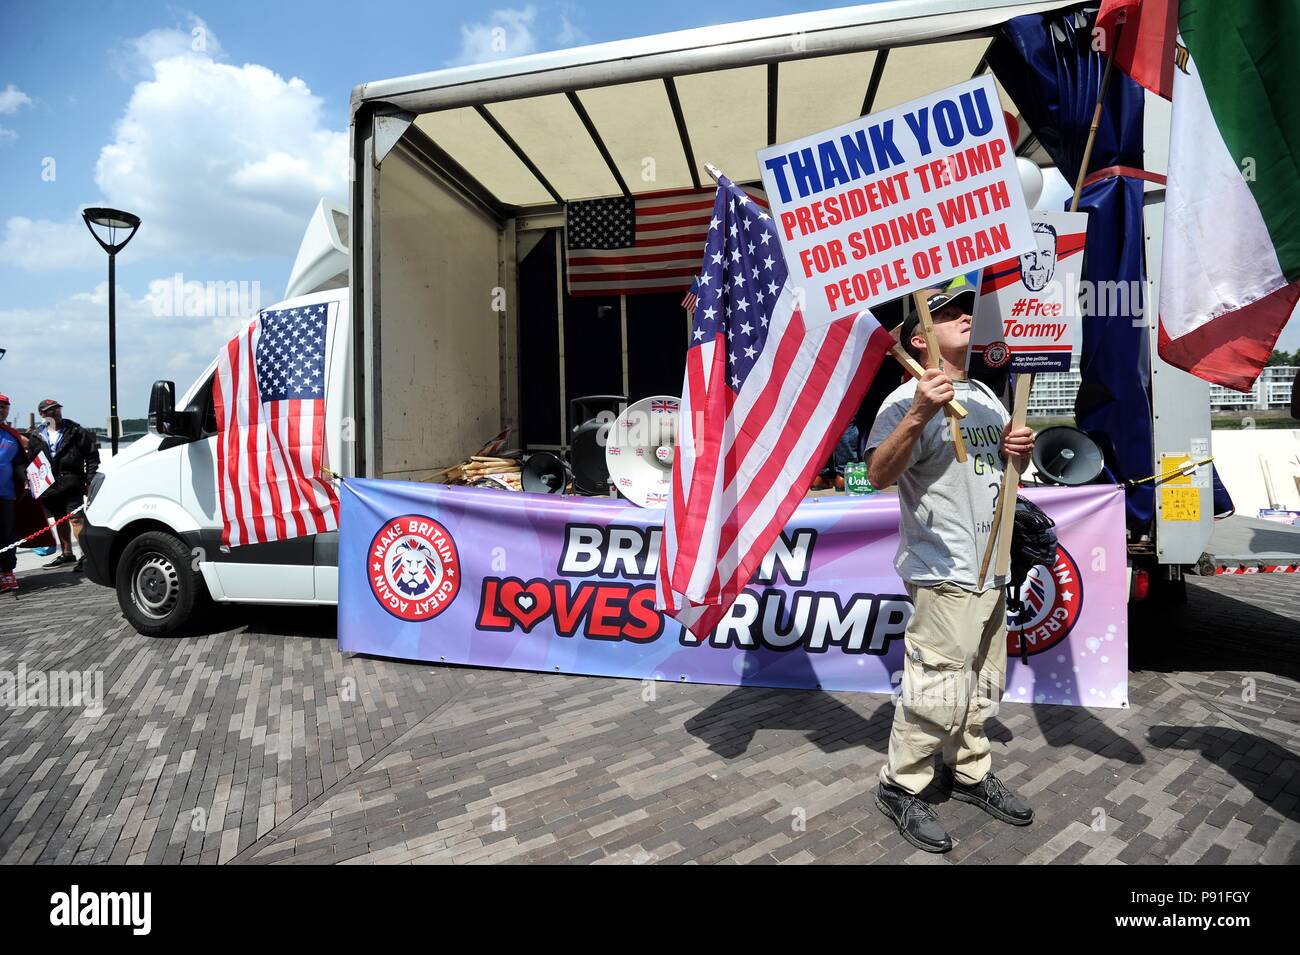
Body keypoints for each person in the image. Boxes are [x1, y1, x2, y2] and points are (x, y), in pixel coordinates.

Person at [865, 286, 1036, 854]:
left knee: (984, 684)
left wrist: (1021, 451)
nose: (964, 315)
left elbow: (1001, 469)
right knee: (937, 686)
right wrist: (918, 412)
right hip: (944, 567)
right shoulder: (903, 398)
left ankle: (969, 770)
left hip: (994, 565)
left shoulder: (987, 392)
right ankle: (901, 785)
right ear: (918, 338)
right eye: (944, 314)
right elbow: (880, 474)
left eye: (965, 309)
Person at [25, 399, 99, 571]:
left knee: (76, 518)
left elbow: (92, 455)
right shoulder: (37, 435)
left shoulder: (74, 430)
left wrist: (90, 479)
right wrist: (31, 483)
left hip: (72, 481)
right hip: (50, 485)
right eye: (51, 411)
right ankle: (67, 554)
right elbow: (32, 462)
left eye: (57, 409)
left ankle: (86, 556)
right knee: (59, 519)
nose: (56, 413)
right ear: (43, 415)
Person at [0, 393, 28, 592]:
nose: (2, 409)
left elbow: (19, 464)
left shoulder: (11, 435)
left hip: (6, 495)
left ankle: (8, 573)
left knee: (7, 535)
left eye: (5, 406)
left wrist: (26, 480)